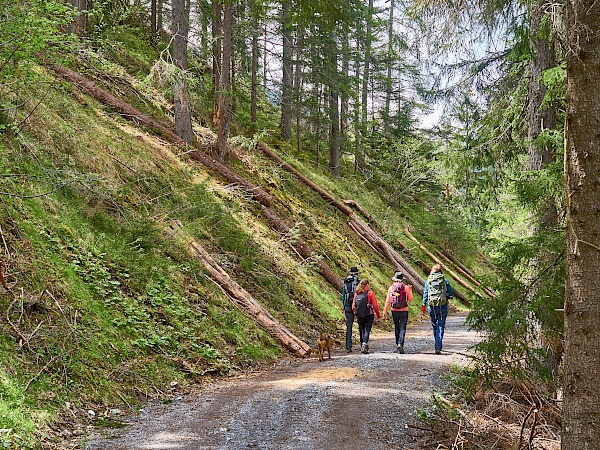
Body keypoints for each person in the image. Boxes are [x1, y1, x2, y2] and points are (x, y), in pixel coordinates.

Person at [421, 264, 453, 355]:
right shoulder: (444, 281)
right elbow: (450, 293)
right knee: (441, 325)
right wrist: (449, 296)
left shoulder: (429, 281)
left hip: (432, 306)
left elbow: (426, 293)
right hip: (442, 306)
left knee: (435, 326)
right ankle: (438, 345)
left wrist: (423, 304)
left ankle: (437, 343)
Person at [382, 271, 413, 354]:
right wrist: (410, 290)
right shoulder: (406, 288)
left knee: (397, 327)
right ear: (402, 280)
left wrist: (384, 311)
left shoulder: (391, 288)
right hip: (404, 310)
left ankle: (397, 345)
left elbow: (388, 301)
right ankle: (400, 344)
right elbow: (410, 299)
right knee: (403, 328)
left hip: (394, 310)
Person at [352, 278, 380, 354]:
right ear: (367, 284)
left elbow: (353, 306)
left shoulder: (357, 293)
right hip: (369, 313)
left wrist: (356, 314)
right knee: (367, 329)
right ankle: (364, 343)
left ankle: (362, 345)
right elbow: (375, 305)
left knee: (361, 330)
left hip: (359, 315)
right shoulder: (370, 293)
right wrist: (378, 315)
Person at [341, 266, 360, 352]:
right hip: (357, 306)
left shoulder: (345, 282)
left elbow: (343, 296)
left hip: (348, 306)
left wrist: (344, 306)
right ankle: (363, 343)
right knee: (361, 325)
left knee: (349, 326)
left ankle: (348, 346)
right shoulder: (358, 283)